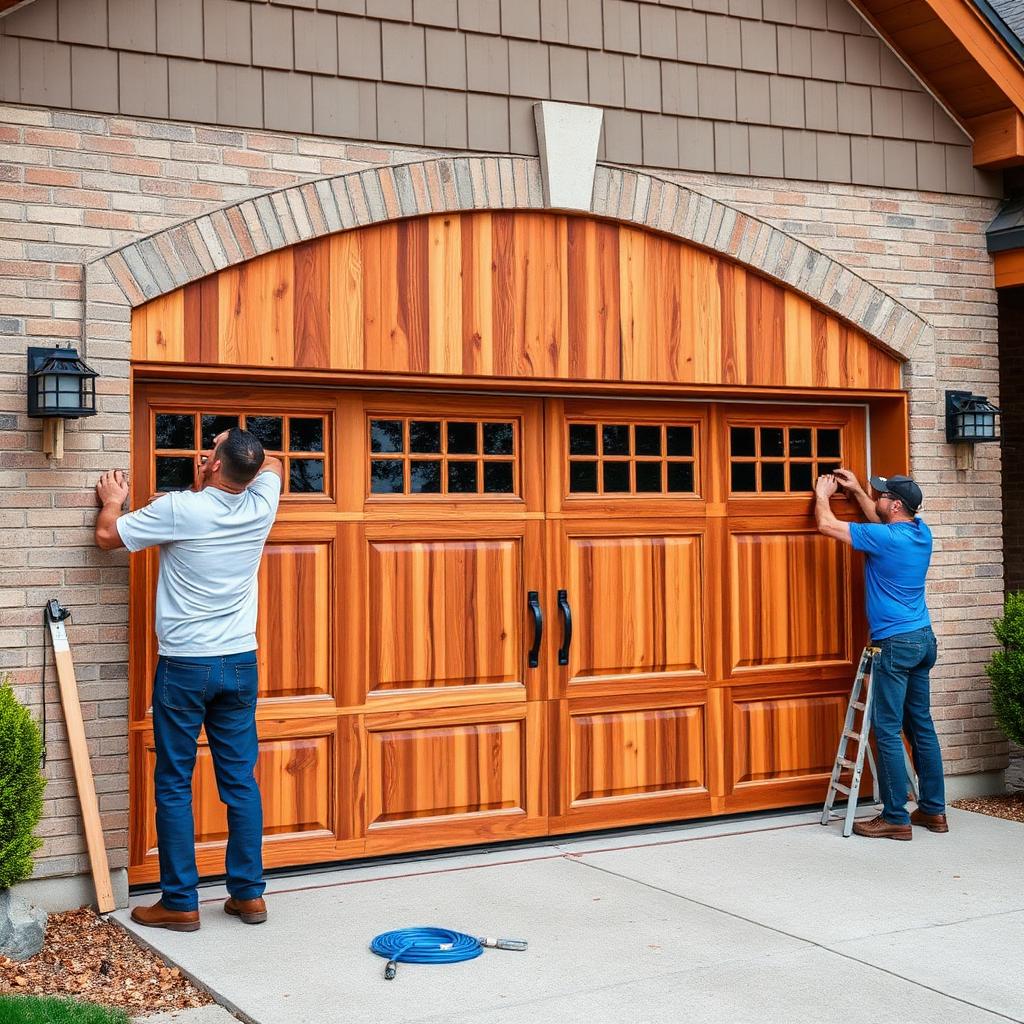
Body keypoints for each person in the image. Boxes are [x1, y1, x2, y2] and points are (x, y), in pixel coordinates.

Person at [94, 428, 282, 930]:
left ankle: (180, 902)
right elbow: (275, 463)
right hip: (240, 662)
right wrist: (223, 468)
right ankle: (249, 895)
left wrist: (113, 501)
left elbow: (108, 538)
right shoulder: (261, 504)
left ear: (217, 464)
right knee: (240, 780)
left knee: (174, 782)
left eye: (212, 448)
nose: (205, 452)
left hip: (186, 667)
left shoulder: (182, 507)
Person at [813, 469, 948, 841]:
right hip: (923, 640)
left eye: (883, 495)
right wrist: (857, 490)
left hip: (895, 644)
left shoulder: (885, 538)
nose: (879, 499)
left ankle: (895, 818)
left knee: (886, 728)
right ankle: (934, 812)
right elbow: (878, 517)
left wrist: (823, 494)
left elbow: (827, 526)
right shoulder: (920, 533)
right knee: (920, 725)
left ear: (896, 505)